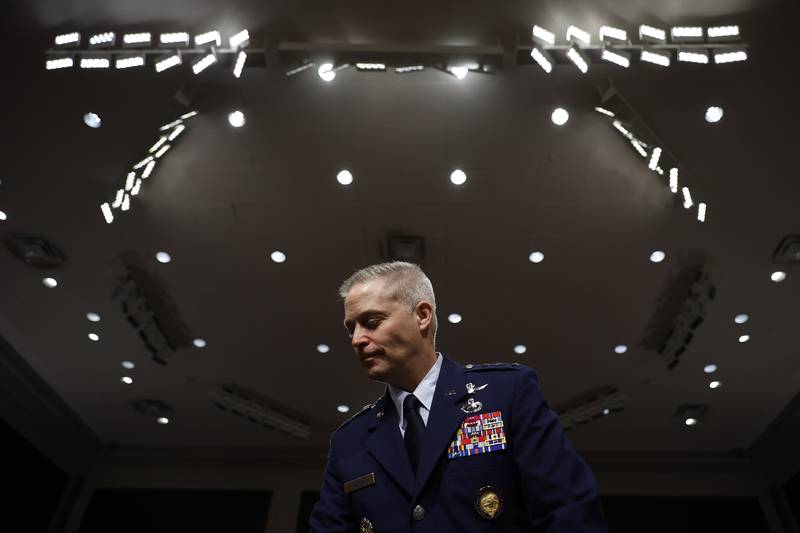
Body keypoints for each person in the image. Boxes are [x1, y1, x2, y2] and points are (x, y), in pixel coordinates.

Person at [309, 261, 608, 532]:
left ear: (423, 315)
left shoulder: (508, 396)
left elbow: (571, 513)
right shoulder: (349, 441)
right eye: (351, 328)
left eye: (372, 322)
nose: (358, 339)